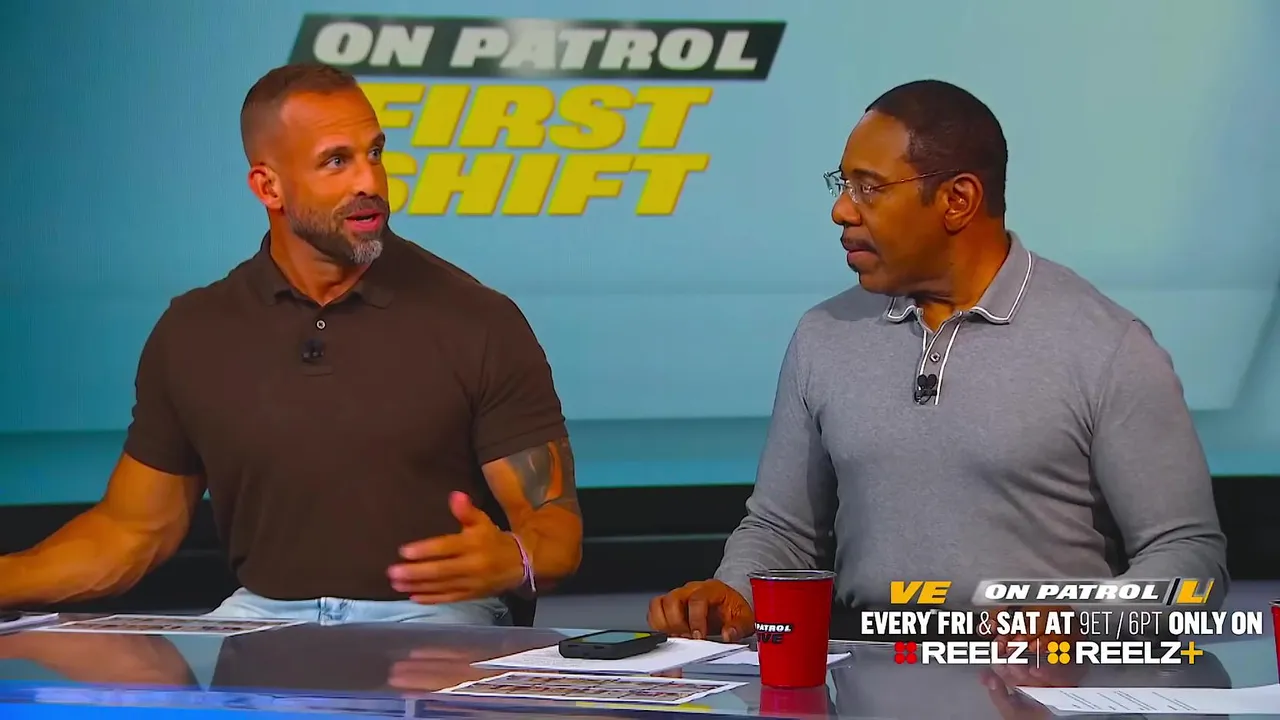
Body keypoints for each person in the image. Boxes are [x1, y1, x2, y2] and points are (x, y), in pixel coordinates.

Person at [648, 79, 1227, 648]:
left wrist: (1079, 622)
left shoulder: (1107, 345)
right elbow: (783, 532)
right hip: (865, 671)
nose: (841, 210)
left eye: (869, 188)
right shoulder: (823, 335)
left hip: (1039, 683)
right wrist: (733, 593)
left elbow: (1188, 557)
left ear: (958, 200)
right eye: (843, 184)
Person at [0, 63, 583, 625]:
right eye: (336, 161)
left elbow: (555, 529)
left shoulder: (479, 320)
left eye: (375, 153)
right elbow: (130, 532)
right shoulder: (194, 330)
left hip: (437, 615)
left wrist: (515, 558)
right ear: (268, 186)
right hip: (262, 613)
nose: (369, 182)